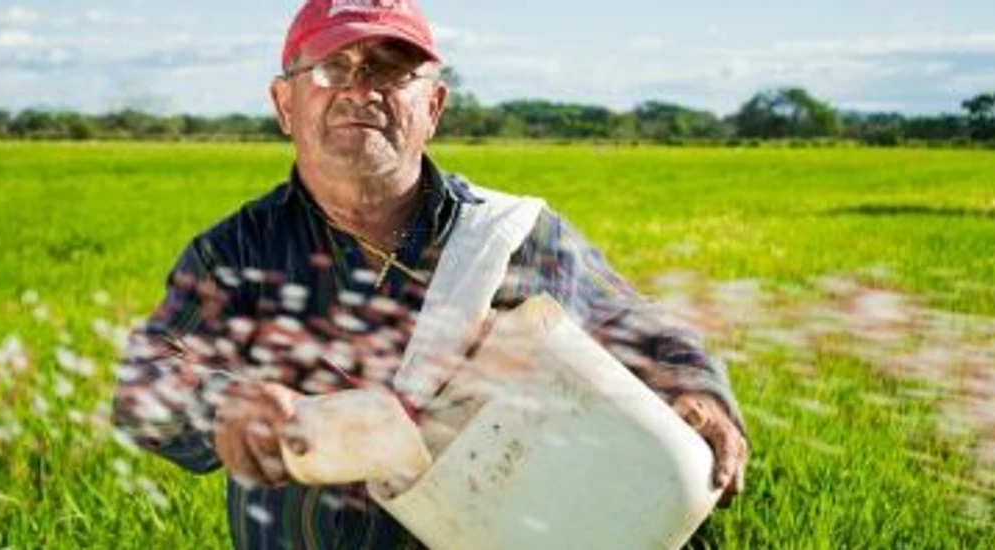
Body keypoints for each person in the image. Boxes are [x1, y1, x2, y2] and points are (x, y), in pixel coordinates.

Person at [112, 0, 748, 548]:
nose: (361, 89)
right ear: (285, 103)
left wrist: (699, 392)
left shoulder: (514, 237)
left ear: (434, 105)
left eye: (389, 69)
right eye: (333, 67)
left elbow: (638, 327)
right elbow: (142, 384)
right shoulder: (236, 253)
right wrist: (222, 405)